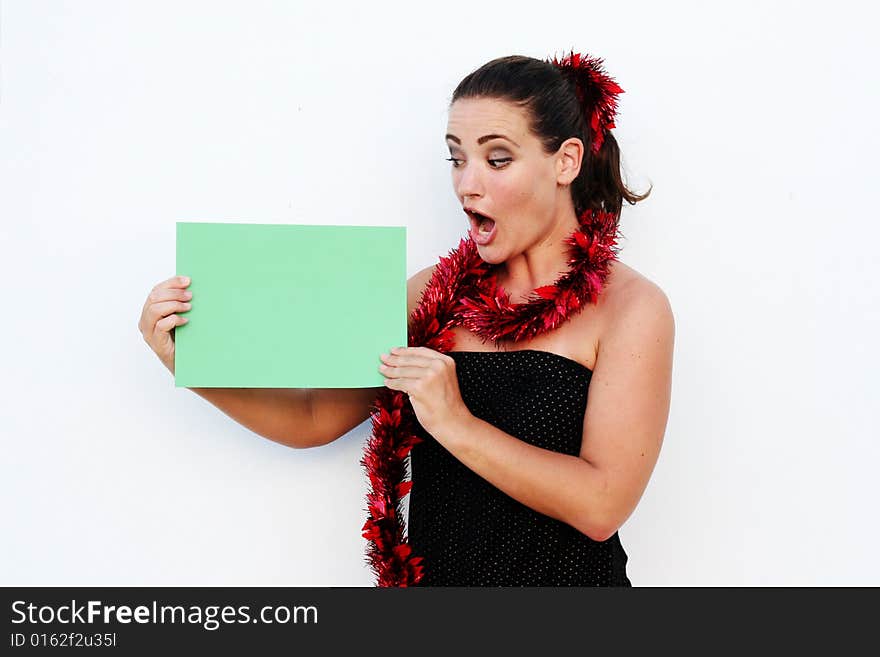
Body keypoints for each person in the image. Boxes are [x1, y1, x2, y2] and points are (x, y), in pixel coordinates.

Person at [138, 52, 674, 587]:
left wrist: (455, 423)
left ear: (566, 161)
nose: (468, 183)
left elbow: (602, 506)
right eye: (456, 158)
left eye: (498, 159)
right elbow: (312, 417)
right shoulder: (428, 295)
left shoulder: (631, 308)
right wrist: (191, 362)